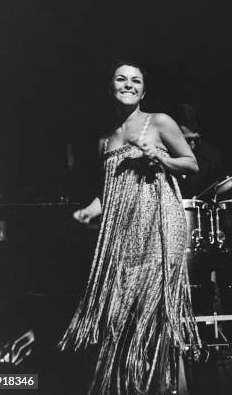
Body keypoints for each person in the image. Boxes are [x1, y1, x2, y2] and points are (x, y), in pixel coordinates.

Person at [59, 61, 200, 395]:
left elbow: (191, 164)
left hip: (160, 226)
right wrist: (87, 212)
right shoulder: (104, 140)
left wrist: (160, 157)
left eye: (135, 81)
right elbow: (109, 193)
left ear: (143, 90)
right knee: (121, 318)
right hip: (122, 235)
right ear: (111, 88)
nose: (128, 85)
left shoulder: (160, 122)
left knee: (156, 316)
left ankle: (168, 389)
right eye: (121, 79)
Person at [176, 103, 225, 199]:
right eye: (188, 140)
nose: (193, 146)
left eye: (197, 139)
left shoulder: (212, 158)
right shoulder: (164, 156)